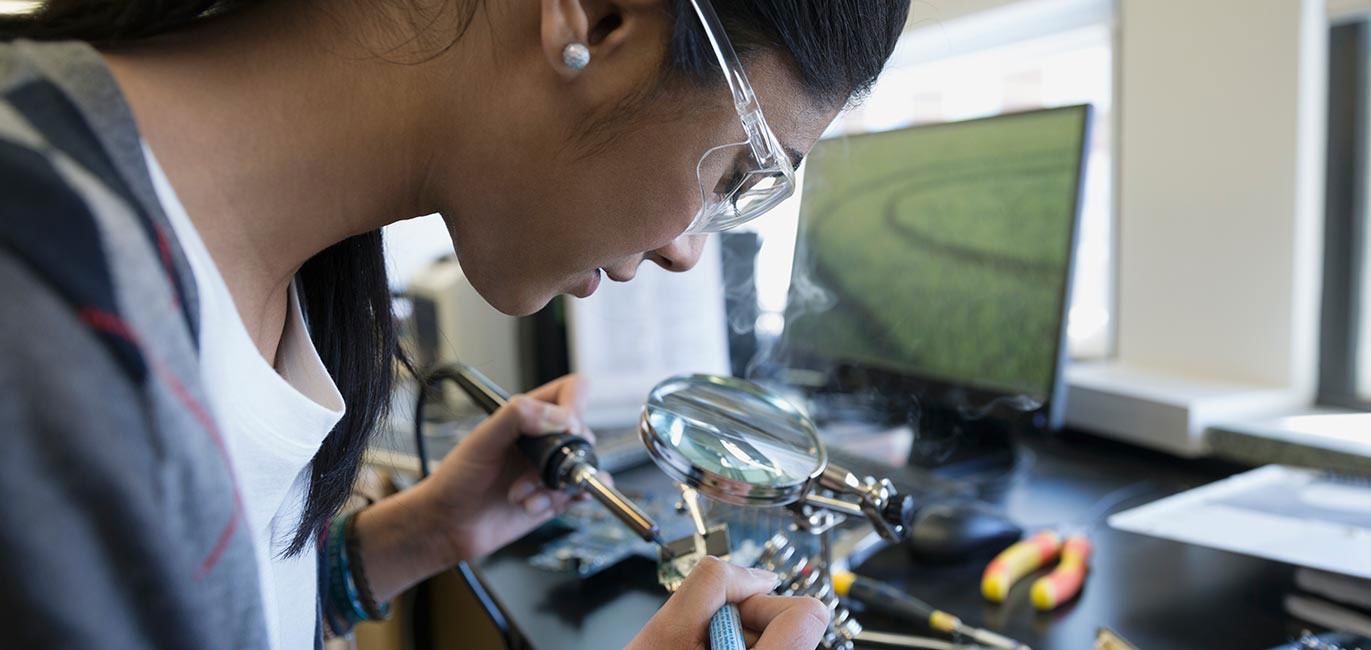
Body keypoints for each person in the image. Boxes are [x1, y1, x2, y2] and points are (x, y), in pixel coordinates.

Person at [0, 0, 907, 647]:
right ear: (592, 21)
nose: (687, 254)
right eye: (737, 176)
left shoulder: (292, 269)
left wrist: (408, 542)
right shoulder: (43, 312)